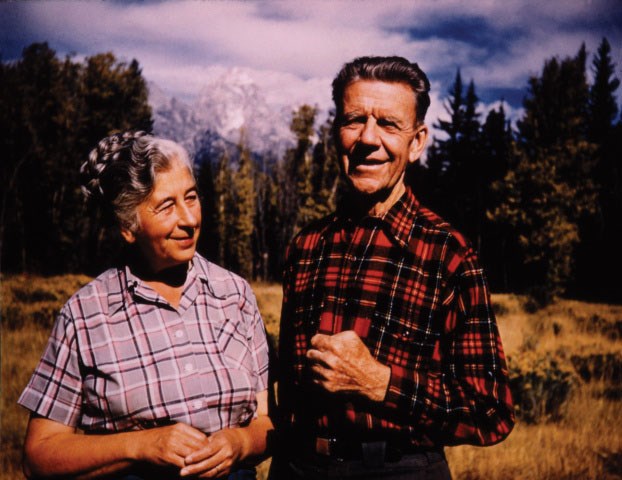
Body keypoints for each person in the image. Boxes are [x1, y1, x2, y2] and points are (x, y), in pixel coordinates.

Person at [270, 56, 514, 480]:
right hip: (296, 465)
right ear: (336, 134)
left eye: (388, 124)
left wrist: (380, 383)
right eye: (353, 121)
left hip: (398, 469)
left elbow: (490, 412)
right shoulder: (306, 247)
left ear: (417, 142)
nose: (368, 138)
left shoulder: (449, 255)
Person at [18, 131, 273, 479]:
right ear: (127, 227)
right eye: (166, 206)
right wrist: (140, 446)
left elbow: (266, 419)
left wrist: (241, 442)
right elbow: (40, 454)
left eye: (192, 198)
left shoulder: (235, 294)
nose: (188, 219)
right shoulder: (86, 315)